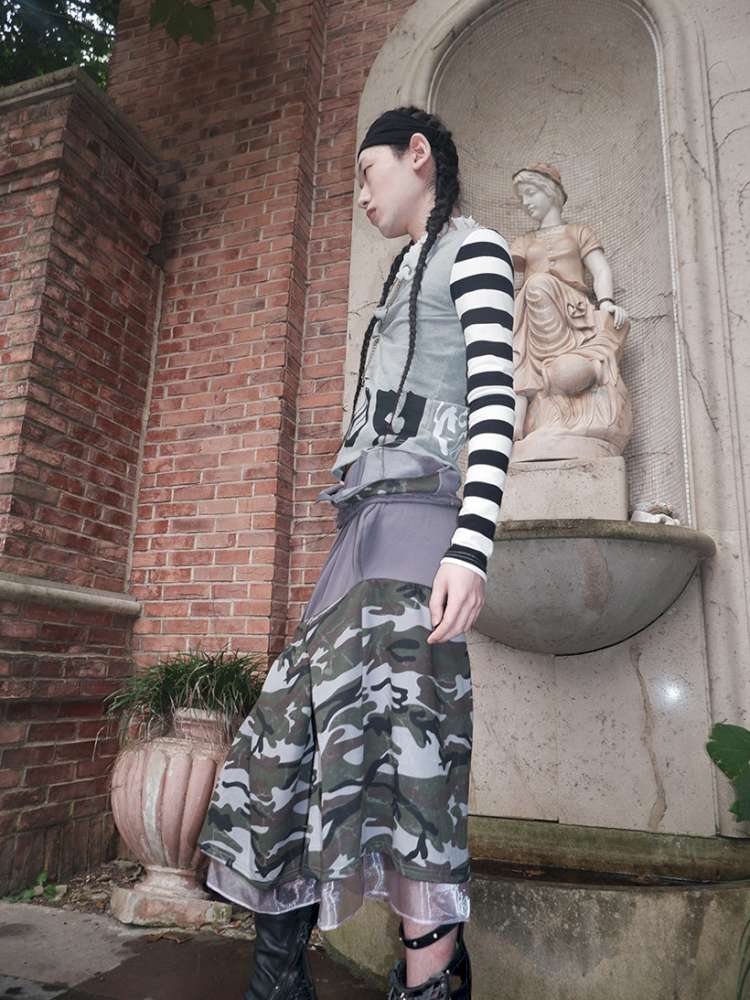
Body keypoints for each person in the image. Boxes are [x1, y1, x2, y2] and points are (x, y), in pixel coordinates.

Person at [198, 106, 515, 1000]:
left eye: (369, 172)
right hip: (357, 540)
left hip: (420, 532)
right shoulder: (399, 275)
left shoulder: (475, 250)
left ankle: (430, 983)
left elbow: (497, 399)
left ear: (420, 156)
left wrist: (471, 547)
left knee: (415, 773)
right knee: (278, 749)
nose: (362, 194)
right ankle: (278, 982)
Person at [510, 164, 632, 462]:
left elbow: (600, 270)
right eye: (522, 196)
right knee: (534, 289)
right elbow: (502, 277)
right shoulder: (524, 241)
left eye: (530, 193)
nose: (525, 202)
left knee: (538, 284)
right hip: (535, 312)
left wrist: (606, 302)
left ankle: (560, 374)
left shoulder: (579, 232)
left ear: (550, 193)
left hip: (572, 308)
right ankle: (526, 407)